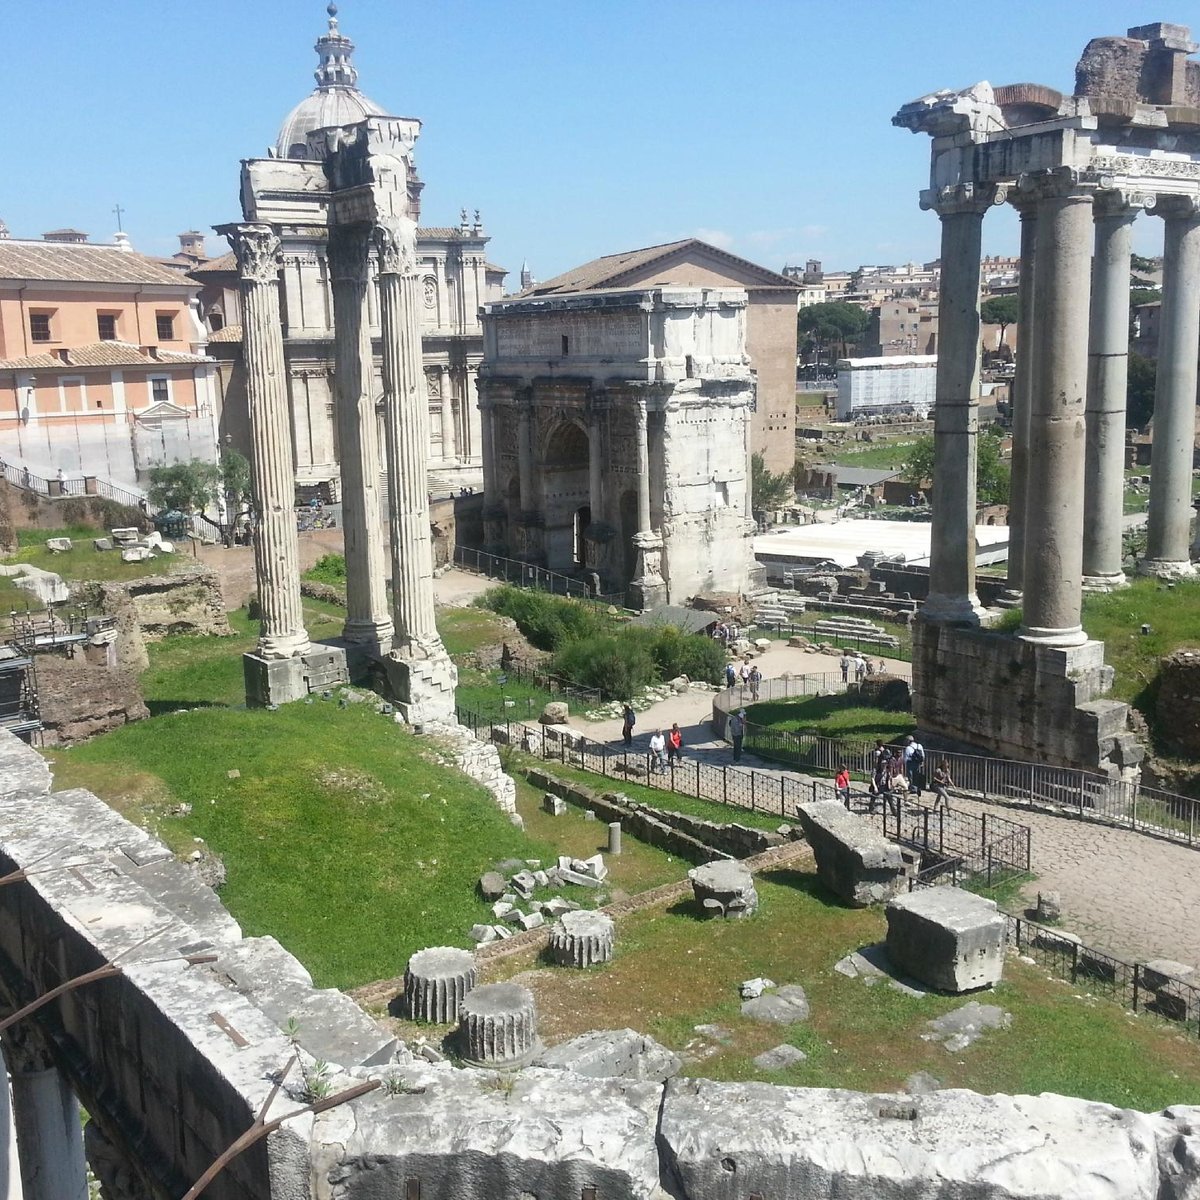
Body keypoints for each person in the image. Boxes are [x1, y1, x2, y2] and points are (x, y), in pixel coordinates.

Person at [903, 735, 926, 799]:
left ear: (908, 741)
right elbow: (923, 755)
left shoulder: (908, 748)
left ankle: (913, 788)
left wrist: (905, 764)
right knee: (916, 775)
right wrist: (922, 762)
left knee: (910, 775)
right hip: (917, 763)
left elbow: (906, 757)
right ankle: (917, 787)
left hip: (910, 763)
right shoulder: (919, 745)